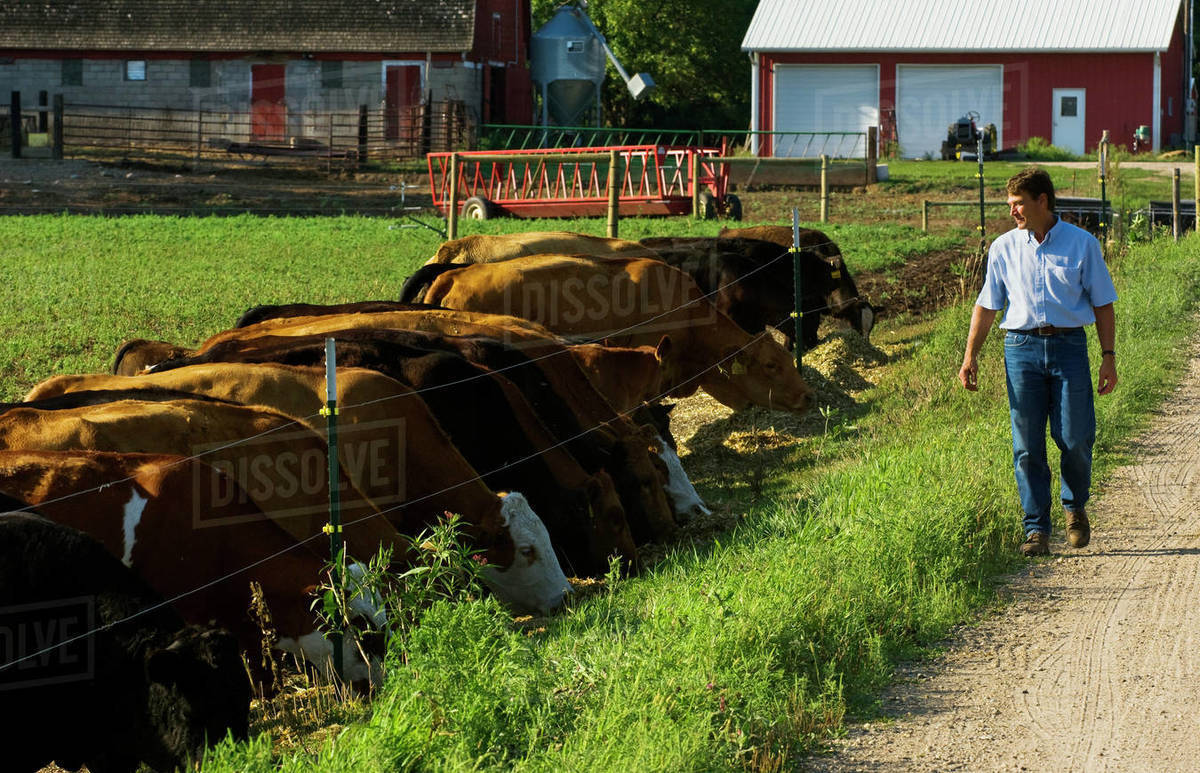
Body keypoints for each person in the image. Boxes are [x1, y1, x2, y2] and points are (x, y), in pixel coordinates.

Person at [958, 167, 1118, 557]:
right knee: (1026, 447)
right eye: (1010, 205)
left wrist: (1108, 357)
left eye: (1018, 204)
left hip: (1069, 348)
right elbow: (987, 304)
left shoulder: (1082, 245)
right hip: (1021, 349)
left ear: (1041, 201)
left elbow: (1102, 303)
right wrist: (970, 356)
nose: (1013, 211)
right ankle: (1036, 530)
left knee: (1075, 437)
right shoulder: (1003, 248)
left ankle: (1075, 506)